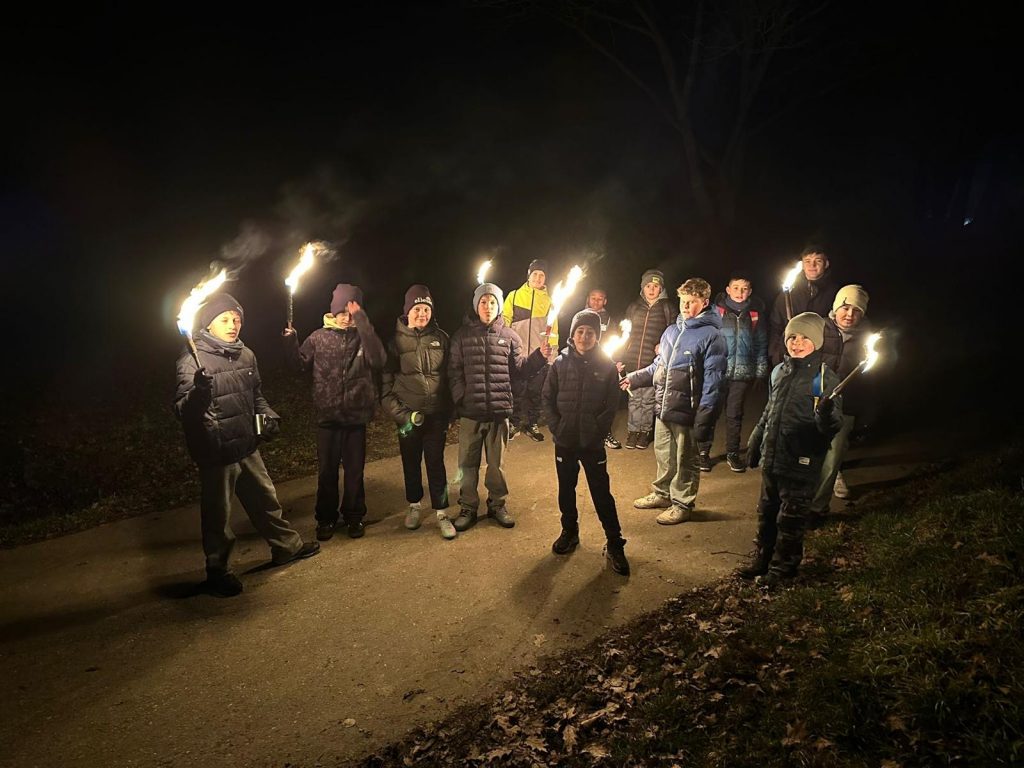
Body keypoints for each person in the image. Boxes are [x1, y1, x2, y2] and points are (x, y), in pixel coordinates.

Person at [174, 292, 320, 597]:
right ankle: (218, 571)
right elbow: (183, 411)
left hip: (246, 444)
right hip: (216, 451)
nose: (233, 325)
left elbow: (256, 397)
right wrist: (199, 392)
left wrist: (268, 417)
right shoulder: (191, 361)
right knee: (218, 515)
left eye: (236, 319)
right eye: (225, 319)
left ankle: (286, 547)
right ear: (209, 324)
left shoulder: (246, 355)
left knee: (266, 500)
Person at [736, 312, 843, 590]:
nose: (797, 343)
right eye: (792, 337)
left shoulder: (824, 379)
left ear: (817, 343)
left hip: (802, 461)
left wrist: (826, 414)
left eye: (805, 338)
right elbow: (770, 409)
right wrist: (757, 437)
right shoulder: (779, 372)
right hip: (775, 456)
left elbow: (831, 427)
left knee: (791, 519)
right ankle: (763, 558)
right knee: (767, 511)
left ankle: (783, 569)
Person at [283, 283, 386, 541]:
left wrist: (363, 322)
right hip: (327, 418)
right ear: (333, 311)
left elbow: (378, 359)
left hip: (356, 416)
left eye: (351, 313)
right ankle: (326, 518)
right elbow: (298, 366)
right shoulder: (318, 337)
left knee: (354, 471)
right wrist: (290, 342)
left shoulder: (363, 337)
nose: (346, 318)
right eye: (342, 312)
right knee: (327, 472)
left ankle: (354, 515)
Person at [622, 278, 727, 525]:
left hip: (688, 410)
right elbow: (658, 367)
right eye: (683, 301)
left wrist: (705, 414)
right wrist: (633, 379)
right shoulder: (671, 331)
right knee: (664, 454)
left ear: (705, 302)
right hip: (664, 406)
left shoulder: (713, 336)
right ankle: (662, 494)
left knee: (685, 459)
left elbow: (714, 381)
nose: (686, 307)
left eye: (692, 302)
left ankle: (682, 503)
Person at [449, 282, 550, 530]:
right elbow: (454, 371)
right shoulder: (462, 336)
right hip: (471, 413)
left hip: (498, 412)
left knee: (496, 465)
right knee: (467, 464)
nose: (488, 306)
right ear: (476, 305)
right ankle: (468, 506)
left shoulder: (510, 336)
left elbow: (520, 370)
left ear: (499, 306)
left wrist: (539, 357)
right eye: (483, 302)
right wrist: (461, 397)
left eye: (493, 302)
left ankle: (497, 504)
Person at [542, 309, 629, 575]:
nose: (584, 336)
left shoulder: (606, 365)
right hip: (565, 440)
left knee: (601, 491)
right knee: (566, 489)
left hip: (592, 442)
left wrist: (598, 429)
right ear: (572, 334)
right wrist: (557, 427)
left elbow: (611, 403)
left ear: (597, 336)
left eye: (590, 332)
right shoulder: (559, 363)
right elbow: (547, 398)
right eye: (580, 331)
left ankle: (614, 541)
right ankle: (569, 531)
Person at [381, 285, 457, 540]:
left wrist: (450, 411)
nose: (422, 313)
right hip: (408, 418)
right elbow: (385, 389)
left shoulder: (442, 338)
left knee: (436, 463)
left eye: (426, 309)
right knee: (410, 461)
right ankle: (414, 505)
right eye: (417, 309)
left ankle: (442, 512)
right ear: (407, 311)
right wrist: (403, 416)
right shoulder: (393, 342)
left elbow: (450, 377)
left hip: (436, 416)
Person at [809, 284, 876, 521]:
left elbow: (871, 382)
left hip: (845, 407)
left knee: (832, 458)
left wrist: (864, 413)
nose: (849, 314)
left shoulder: (869, 340)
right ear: (836, 307)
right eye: (845, 308)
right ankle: (796, 502)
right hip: (814, 401)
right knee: (806, 455)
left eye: (856, 310)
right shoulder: (819, 328)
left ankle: (817, 508)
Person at [699, 272, 770, 473]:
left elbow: (761, 342)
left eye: (744, 289)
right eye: (736, 288)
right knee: (711, 411)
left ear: (750, 291)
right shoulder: (716, 312)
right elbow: (706, 338)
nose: (740, 292)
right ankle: (703, 451)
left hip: (742, 373)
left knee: (735, 414)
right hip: (718, 371)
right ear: (728, 290)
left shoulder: (755, 314)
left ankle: (732, 452)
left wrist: (760, 370)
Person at [619, 269, 678, 449]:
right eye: (648, 286)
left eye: (655, 286)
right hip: (633, 360)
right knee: (634, 399)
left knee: (648, 399)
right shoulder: (634, 307)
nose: (652, 289)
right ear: (642, 288)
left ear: (661, 288)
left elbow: (674, 331)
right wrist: (621, 356)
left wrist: (663, 346)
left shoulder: (667, 308)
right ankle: (633, 431)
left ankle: (644, 432)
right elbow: (624, 333)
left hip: (653, 362)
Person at [502, 258, 558, 441]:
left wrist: (551, 358)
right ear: (528, 275)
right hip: (517, 355)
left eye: (542, 275)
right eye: (535, 274)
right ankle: (514, 423)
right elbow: (504, 322)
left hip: (538, 357)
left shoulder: (550, 302)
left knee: (536, 393)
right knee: (516, 392)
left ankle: (532, 423)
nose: (538, 278)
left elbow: (554, 332)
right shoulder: (514, 296)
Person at [768, 245, 839, 367]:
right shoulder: (788, 293)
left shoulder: (835, 294)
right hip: (788, 358)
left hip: (819, 361)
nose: (812, 265)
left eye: (818, 261)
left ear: (826, 264)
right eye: (807, 261)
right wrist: (776, 356)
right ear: (802, 264)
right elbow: (776, 327)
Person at [583, 287, 623, 450]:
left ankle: (605, 433)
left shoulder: (609, 320)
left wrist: (616, 361)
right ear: (588, 299)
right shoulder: (581, 316)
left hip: (603, 366)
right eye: (593, 298)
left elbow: (616, 340)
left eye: (600, 298)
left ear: (605, 301)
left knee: (603, 402)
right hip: (584, 365)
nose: (596, 301)